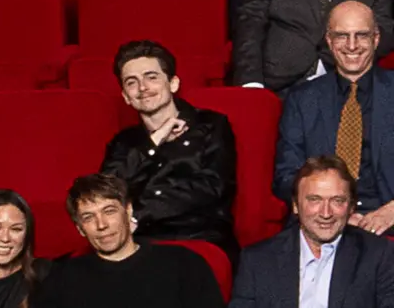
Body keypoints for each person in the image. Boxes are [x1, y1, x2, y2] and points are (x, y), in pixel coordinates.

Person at [100, 40, 238, 262]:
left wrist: (139, 215)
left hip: (197, 235)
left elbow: (212, 186)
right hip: (138, 241)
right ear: (126, 96)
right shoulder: (123, 142)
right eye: (131, 82)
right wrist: (155, 140)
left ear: (173, 83)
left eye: (151, 77)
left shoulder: (212, 125)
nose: (142, 87)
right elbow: (106, 191)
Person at [273, 1, 394, 236]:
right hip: (321, 222)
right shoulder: (302, 99)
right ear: (329, 41)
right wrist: (333, 212)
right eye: (341, 36)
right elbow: (286, 175)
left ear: (376, 38)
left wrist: (392, 211)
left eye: (361, 35)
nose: (351, 45)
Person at [31, 173, 225, 308]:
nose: (101, 224)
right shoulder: (61, 278)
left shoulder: (184, 264)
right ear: (80, 228)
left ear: (128, 210)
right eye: (89, 217)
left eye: (109, 211)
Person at [229, 155, 394, 308]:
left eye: (337, 201)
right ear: (295, 205)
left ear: (351, 207)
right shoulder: (257, 260)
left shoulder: (379, 256)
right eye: (314, 200)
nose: (325, 213)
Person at [231, 0, 393, 96]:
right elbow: (250, 22)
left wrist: (339, 58)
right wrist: (251, 83)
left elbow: (384, 30)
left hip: (343, 85)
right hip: (275, 84)